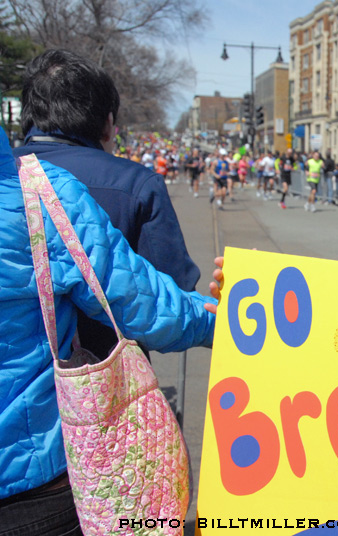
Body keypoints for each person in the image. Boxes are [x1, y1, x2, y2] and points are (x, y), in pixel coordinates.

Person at [0, 127, 219, 535]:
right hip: (32, 480)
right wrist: (234, 322)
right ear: (107, 123)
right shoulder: (36, 192)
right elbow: (148, 305)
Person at [14, 49, 204, 359]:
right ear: (108, 123)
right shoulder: (135, 184)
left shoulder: (8, 175)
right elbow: (173, 296)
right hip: (105, 381)